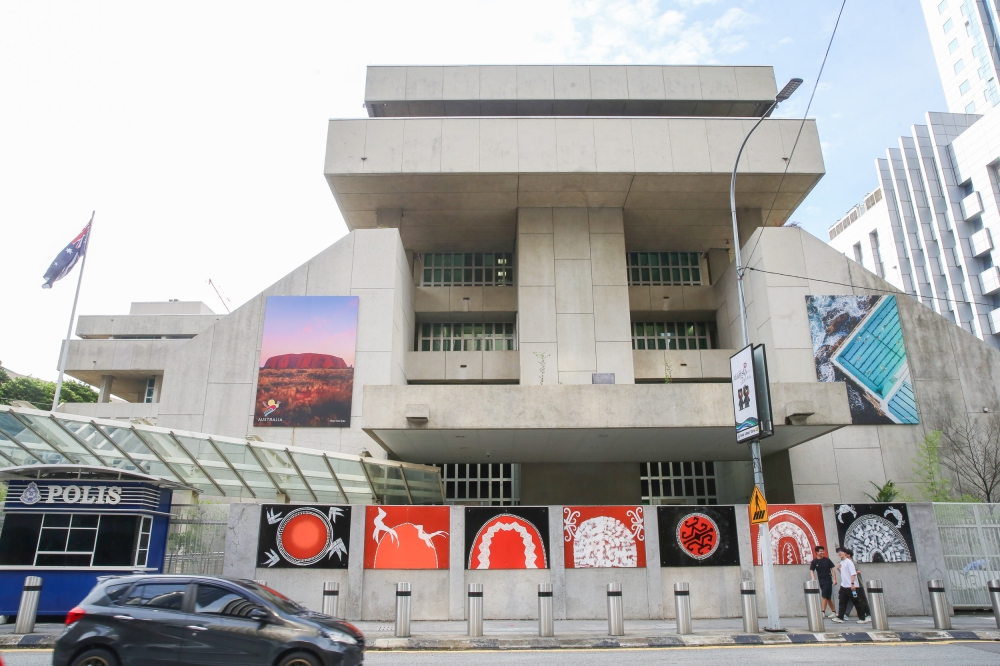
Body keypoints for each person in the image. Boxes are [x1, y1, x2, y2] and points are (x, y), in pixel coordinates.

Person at [831, 547, 870, 624]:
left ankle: (862, 618)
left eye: (841, 551)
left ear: (845, 553)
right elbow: (844, 574)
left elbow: (853, 573)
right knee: (842, 602)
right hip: (844, 586)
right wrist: (838, 569)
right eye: (838, 552)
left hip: (851, 586)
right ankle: (840, 617)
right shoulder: (842, 562)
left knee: (856, 602)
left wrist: (852, 584)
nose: (839, 553)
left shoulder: (849, 562)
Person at [809, 545, 837, 618]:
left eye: (823, 551)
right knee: (828, 597)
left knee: (824, 596)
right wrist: (813, 578)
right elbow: (811, 570)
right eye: (821, 551)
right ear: (817, 552)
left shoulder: (827, 560)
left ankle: (822, 612)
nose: (822, 552)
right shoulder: (814, 561)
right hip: (821, 581)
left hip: (828, 580)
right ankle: (834, 612)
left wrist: (834, 579)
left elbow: (833, 569)